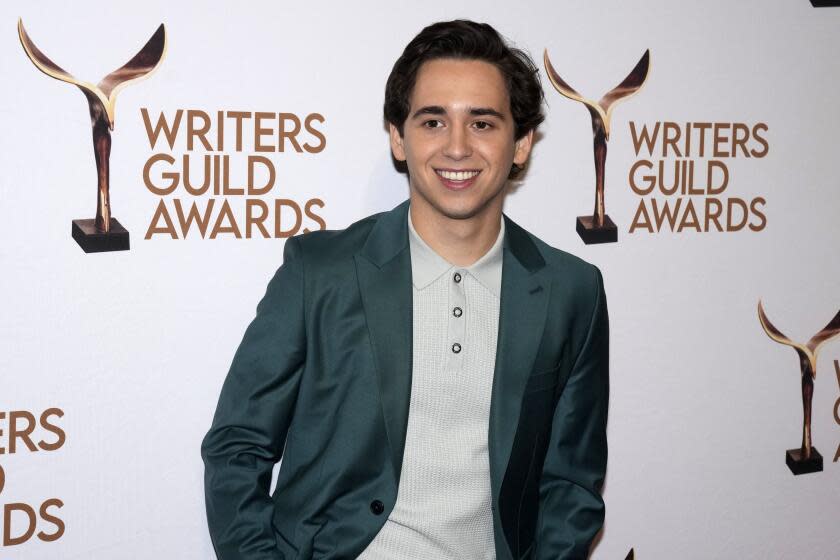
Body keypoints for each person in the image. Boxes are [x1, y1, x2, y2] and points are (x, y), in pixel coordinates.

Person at [201, 19, 609, 560]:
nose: (457, 147)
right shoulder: (319, 272)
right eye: (433, 121)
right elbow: (237, 447)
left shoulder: (570, 290)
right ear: (399, 137)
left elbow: (572, 484)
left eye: (483, 123)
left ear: (521, 143)